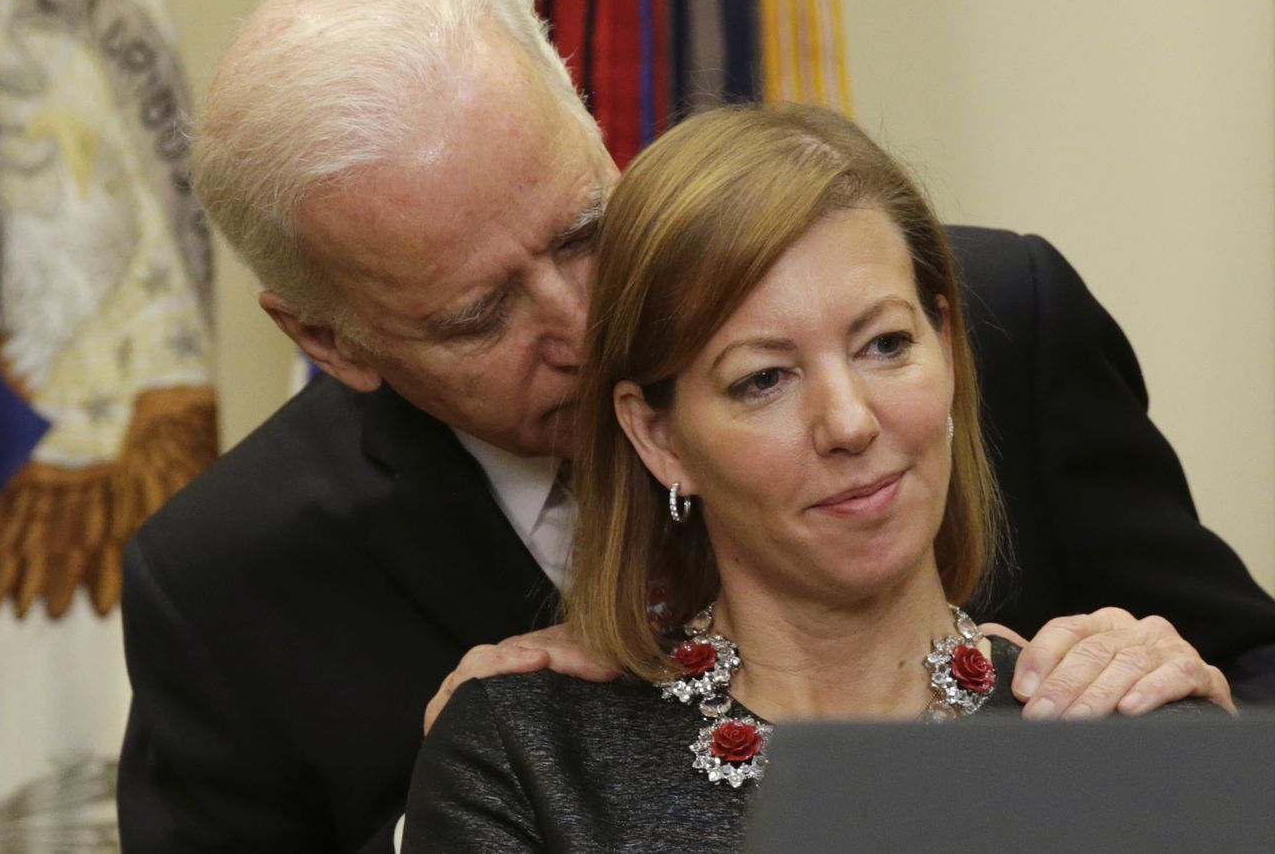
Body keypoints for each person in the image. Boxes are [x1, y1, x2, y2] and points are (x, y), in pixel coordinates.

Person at [117, 0, 1275, 854]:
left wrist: (1194, 726)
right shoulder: (226, 581)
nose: (580, 320)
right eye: (480, 314)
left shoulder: (990, 316)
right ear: (330, 337)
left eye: (581, 228)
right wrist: (450, 811)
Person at [402, 103, 1222, 852]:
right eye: (764, 379)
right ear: (658, 436)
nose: (850, 421)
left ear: (949, 349)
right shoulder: (526, 758)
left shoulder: (1125, 725)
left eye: (886, 345)